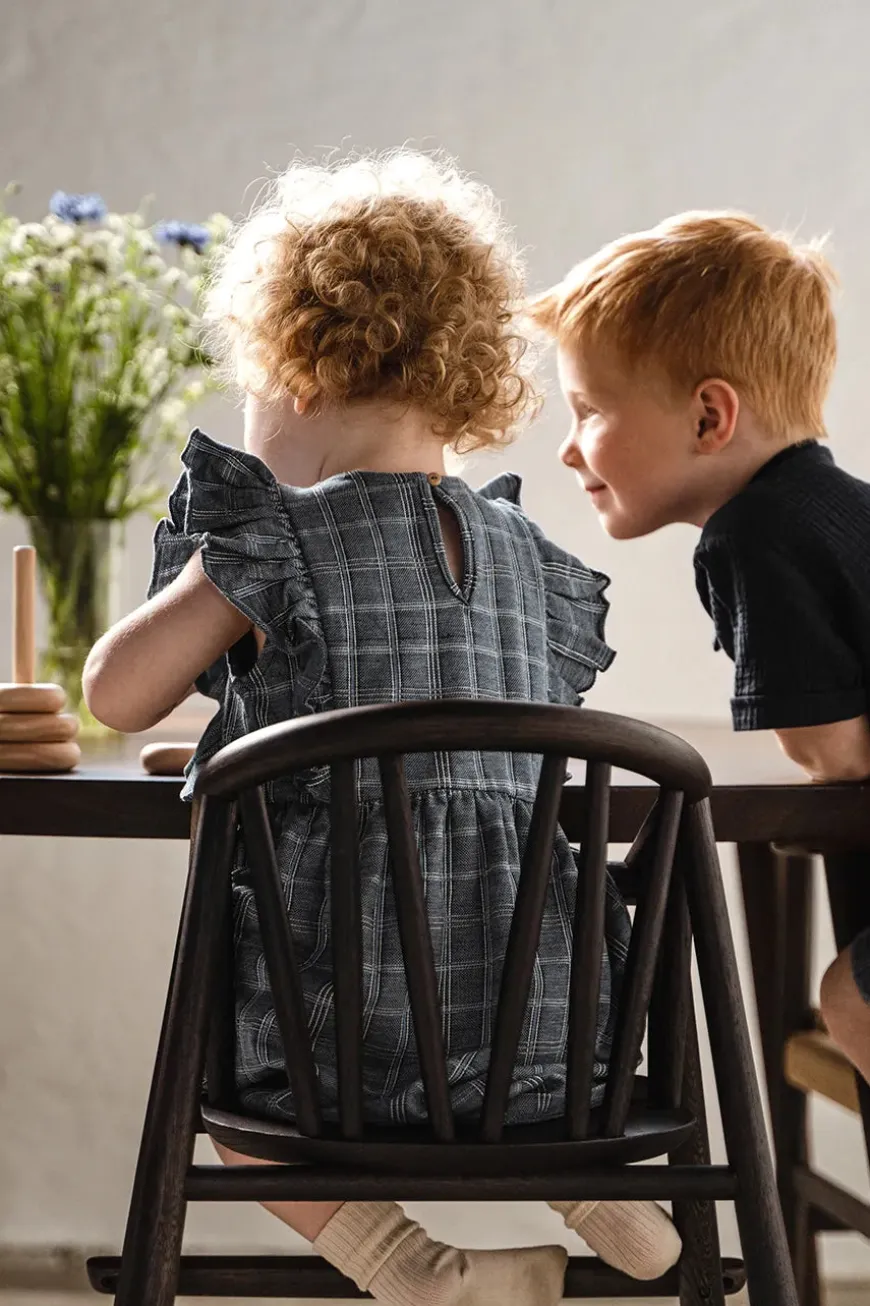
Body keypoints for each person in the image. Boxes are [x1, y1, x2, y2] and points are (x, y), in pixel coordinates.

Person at [83, 151, 681, 1306]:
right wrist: (253, 740)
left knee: (233, 1111)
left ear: (298, 371)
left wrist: (232, 535)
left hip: (332, 1042)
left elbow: (114, 692)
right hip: (547, 1040)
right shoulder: (534, 566)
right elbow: (462, 743)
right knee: (517, 1011)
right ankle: (605, 1197)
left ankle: (411, 1264)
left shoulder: (278, 540)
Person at [529, 209, 870, 1092]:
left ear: (710, 416)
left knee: (854, 1001)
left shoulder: (753, 534)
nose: (569, 449)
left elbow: (831, 747)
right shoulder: (834, 509)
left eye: (589, 410)